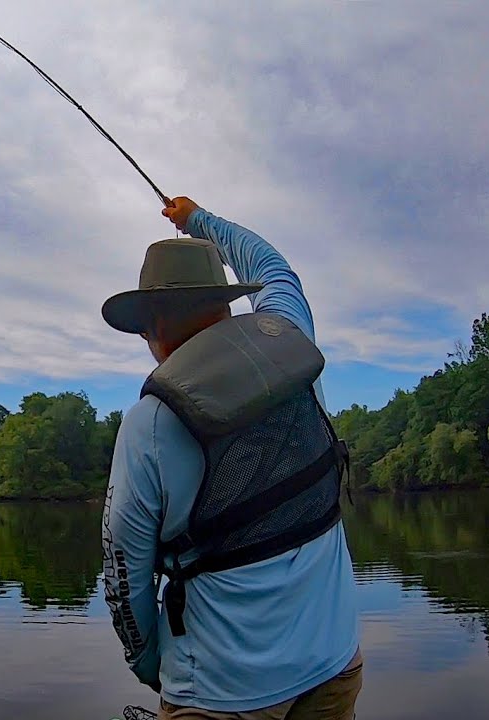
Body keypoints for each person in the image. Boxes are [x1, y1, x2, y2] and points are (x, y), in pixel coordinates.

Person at [100, 197, 363, 720]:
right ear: (225, 302)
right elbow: (272, 266)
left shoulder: (149, 424)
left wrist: (150, 661)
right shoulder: (293, 343)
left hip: (218, 693)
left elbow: (122, 570)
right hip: (333, 667)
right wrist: (198, 220)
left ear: (152, 323)